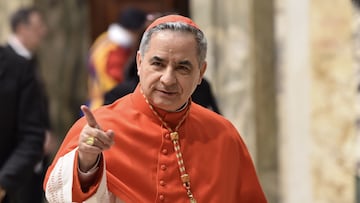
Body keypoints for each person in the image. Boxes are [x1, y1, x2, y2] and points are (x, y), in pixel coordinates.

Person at [44, 15, 267, 202]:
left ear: (201, 73)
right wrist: (86, 161)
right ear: (140, 63)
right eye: (158, 64)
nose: (168, 79)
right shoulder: (99, 127)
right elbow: (60, 197)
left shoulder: (223, 134)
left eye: (182, 68)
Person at [0, 7, 49, 203]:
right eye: (38, 27)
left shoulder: (18, 67)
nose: (43, 32)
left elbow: (31, 135)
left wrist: (3, 183)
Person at [87, 7, 147, 110]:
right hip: (109, 105)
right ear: (134, 31)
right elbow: (117, 82)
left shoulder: (104, 39)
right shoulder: (116, 52)